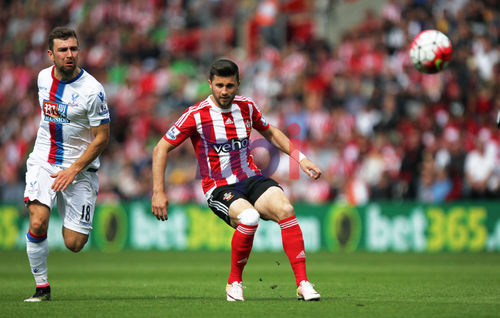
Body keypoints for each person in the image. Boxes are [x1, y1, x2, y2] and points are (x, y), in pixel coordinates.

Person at [151, 58, 322, 301]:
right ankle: (234, 283)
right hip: (219, 187)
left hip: (251, 178)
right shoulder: (196, 115)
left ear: (238, 85)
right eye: (219, 85)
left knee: (286, 208)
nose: (224, 91)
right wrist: (158, 192)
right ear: (210, 84)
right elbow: (160, 149)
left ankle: (303, 283)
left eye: (229, 86)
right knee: (250, 218)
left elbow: (270, 131)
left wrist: (301, 158)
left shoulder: (247, 107)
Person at [23, 26, 110, 302]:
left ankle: (67, 206)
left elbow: (102, 138)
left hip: (80, 169)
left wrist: (73, 169)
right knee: (38, 222)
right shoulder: (41, 79)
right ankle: (42, 288)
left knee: (74, 243)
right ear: (51, 54)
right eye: (63, 50)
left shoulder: (93, 91)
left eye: (73, 49)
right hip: (44, 160)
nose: (69, 54)